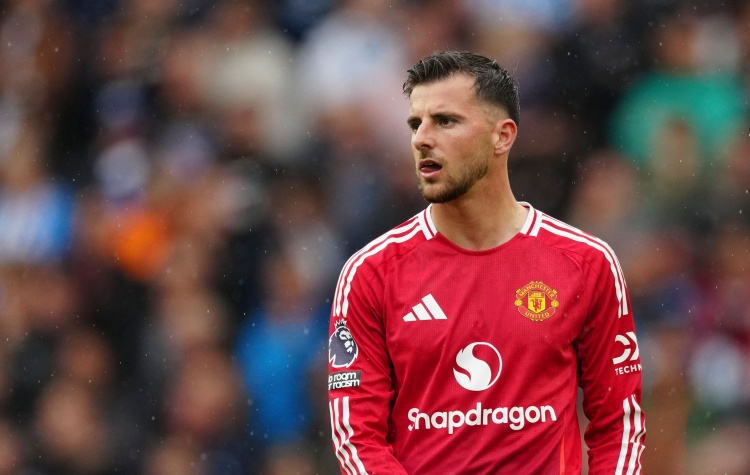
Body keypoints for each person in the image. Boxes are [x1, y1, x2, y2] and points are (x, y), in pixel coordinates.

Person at [326, 51, 645, 474]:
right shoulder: (370, 273)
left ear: (502, 136)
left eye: (445, 121)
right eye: (415, 124)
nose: (422, 139)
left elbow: (618, 424)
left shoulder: (586, 263)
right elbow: (357, 437)